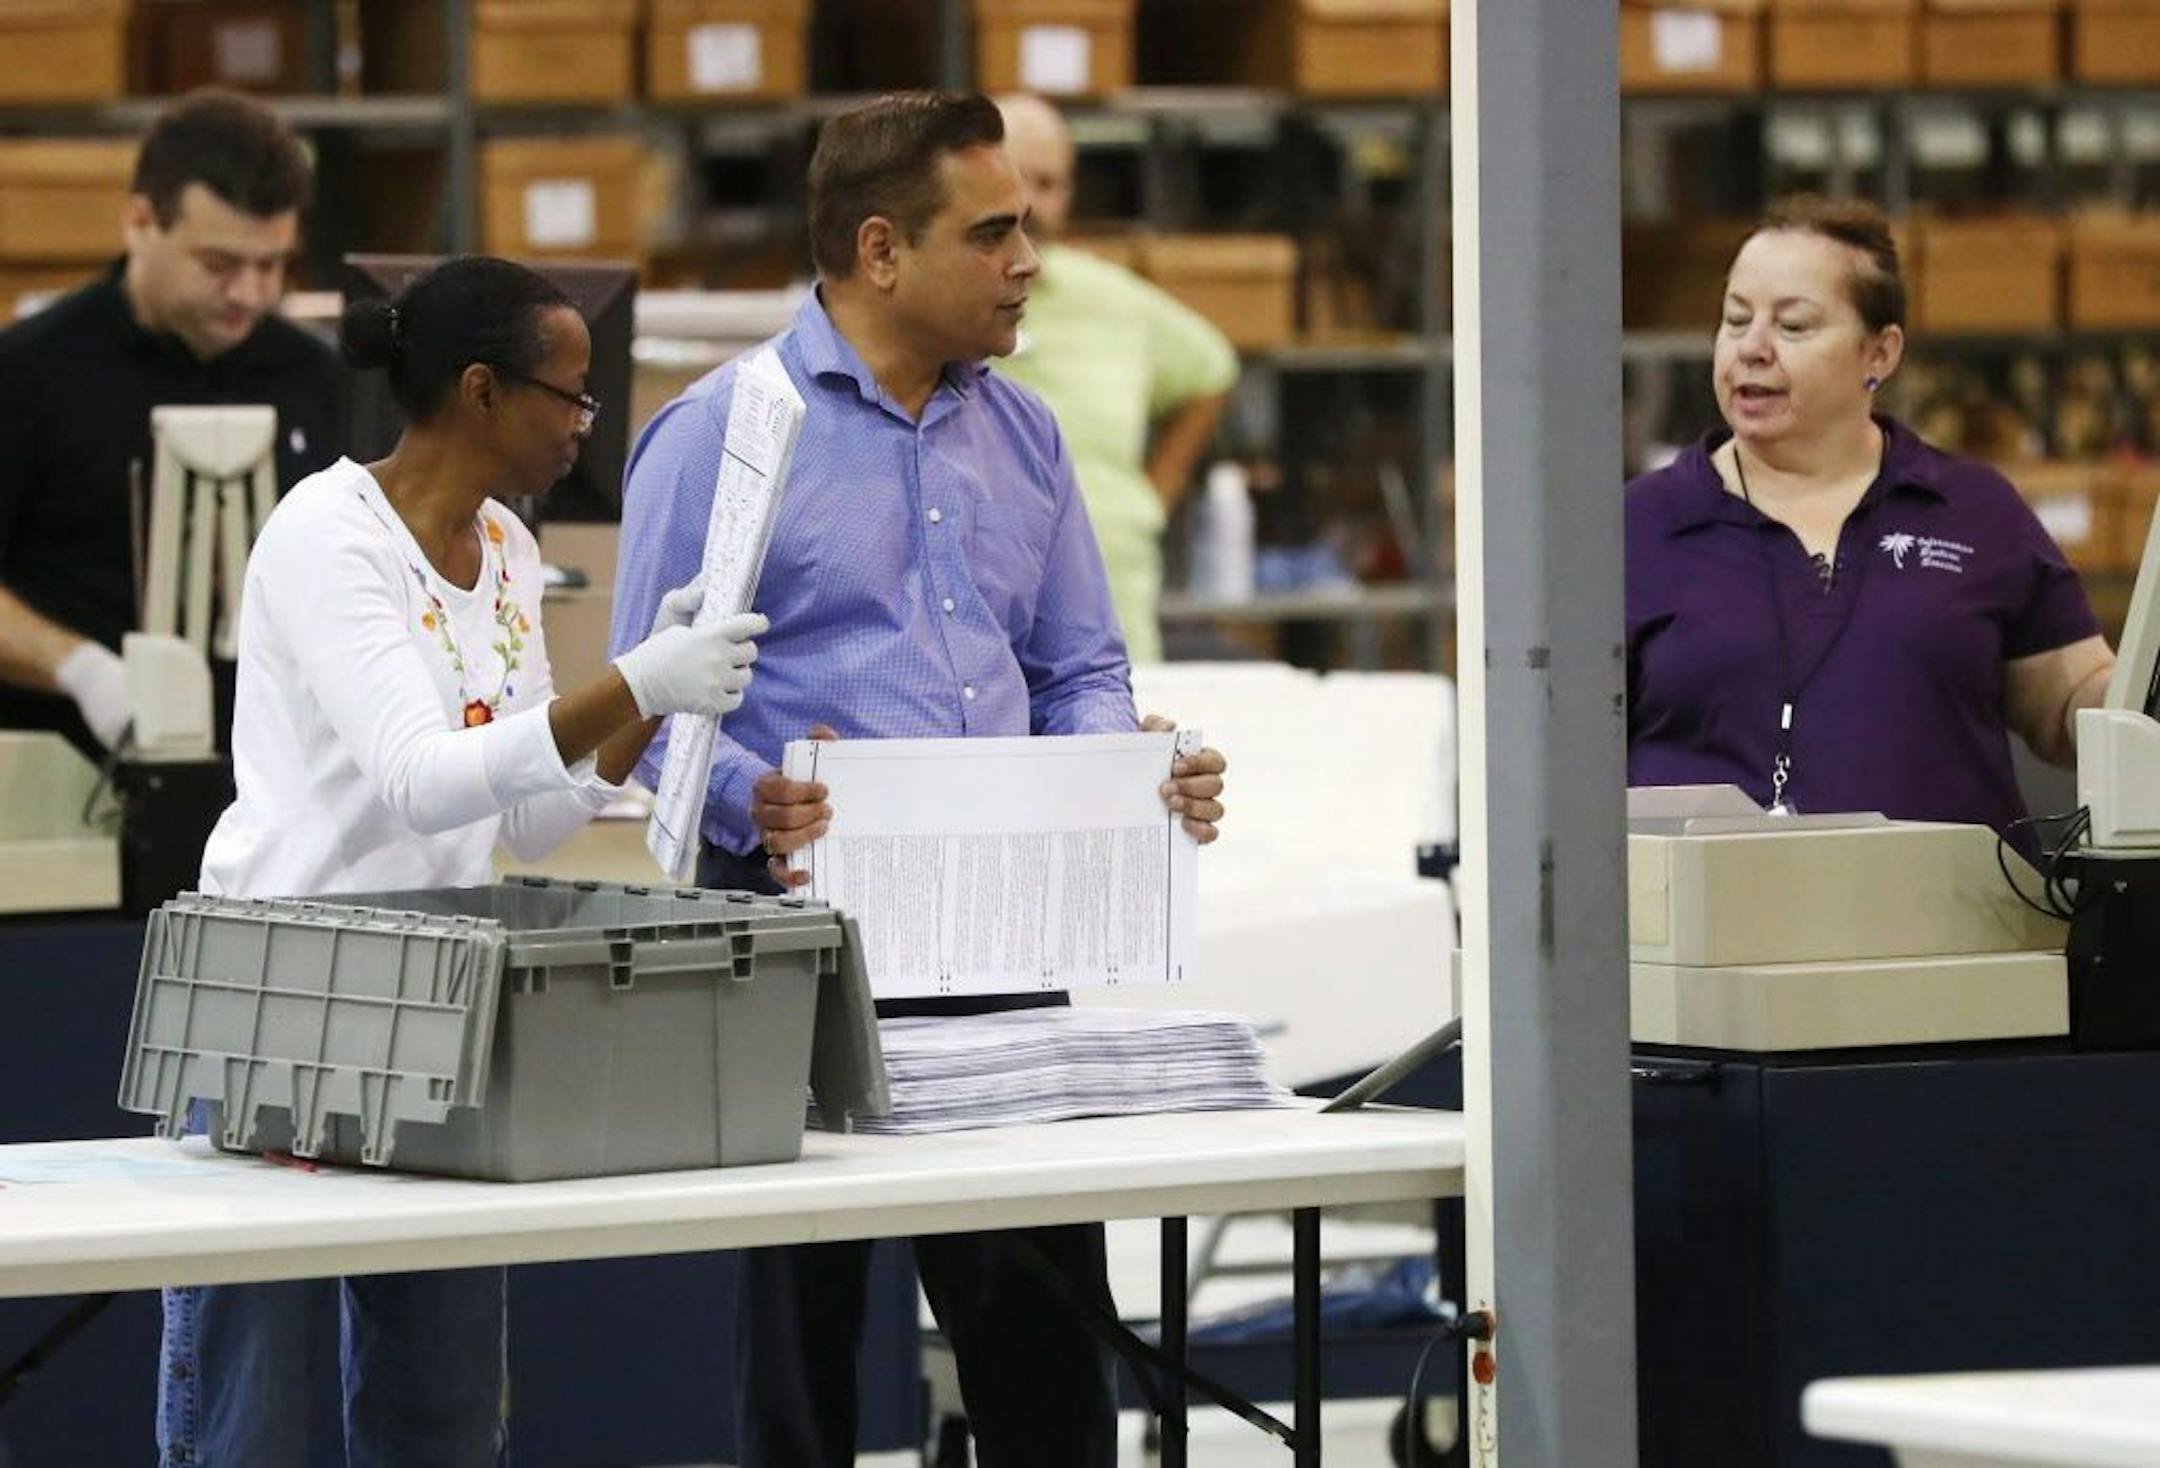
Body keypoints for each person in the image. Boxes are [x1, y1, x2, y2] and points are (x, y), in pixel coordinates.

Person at [609, 91, 1229, 1468]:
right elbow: (633, 716)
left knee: (1047, 1343)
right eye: (995, 231)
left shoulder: (1026, 437)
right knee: (803, 1359)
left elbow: (1078, 672)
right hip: (786, 953)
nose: (1031, 261)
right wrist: (743, 802)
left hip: (1002, 947)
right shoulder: (722, 435)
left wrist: (1121, 782)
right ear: (881, 250)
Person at [160, 256, 764, 1467]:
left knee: (439, 1413)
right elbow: (419, 772)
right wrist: (634, 676)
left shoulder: (505, 545)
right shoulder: (328, 533)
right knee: (256, 1424)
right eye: (573, 397)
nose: (587, 426)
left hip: (432, 996)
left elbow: (532, 818)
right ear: (482, 391)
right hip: (280, 993)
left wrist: (650, 686)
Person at [1627, 195, 2114, 852]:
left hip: (1951, 937)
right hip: (1708, 942)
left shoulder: (1973, 510)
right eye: (1735, 320)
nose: (1752, 349)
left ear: (1879, 354)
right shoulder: (1640, 527)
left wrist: (2128, 708)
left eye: (1793, 327)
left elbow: (2069, 704)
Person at [0, 90, 344, 761]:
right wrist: (81, 671)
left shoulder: (314, 379)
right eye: (218, 265)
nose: (248, 293)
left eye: (271, 265)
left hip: (267, 781)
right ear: (139, 221)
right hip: (64, 771)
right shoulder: (30, 371)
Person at [990, 92, 1238, 663]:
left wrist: (1153, 495)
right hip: (994, 601)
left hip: (1113, 594)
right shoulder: (946, 304)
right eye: (1016, 179)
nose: (1032, 202)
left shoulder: (1113, 300)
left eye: (1049, 184)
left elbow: (1213, 368)